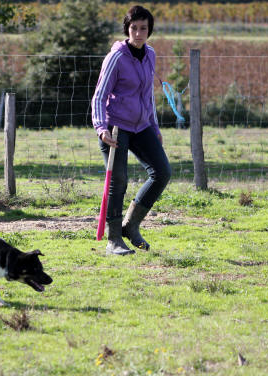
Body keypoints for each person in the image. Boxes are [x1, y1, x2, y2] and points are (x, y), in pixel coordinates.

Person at [92, 5, 171, 256]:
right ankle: (114, 240)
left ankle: (131, 225)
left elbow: (148, 94)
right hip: (115, 127)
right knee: (119, 180)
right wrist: (101, 127)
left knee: (162, 172)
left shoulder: (150, 54)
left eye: (143, 28)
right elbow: (99, 96)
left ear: (149, 31)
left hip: (142, 125)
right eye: (134, 28)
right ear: (127, 29)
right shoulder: (116, 57)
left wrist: (155, 126)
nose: (138, 33)